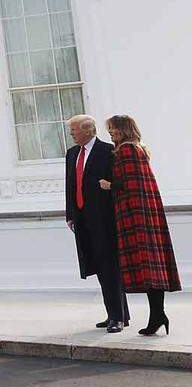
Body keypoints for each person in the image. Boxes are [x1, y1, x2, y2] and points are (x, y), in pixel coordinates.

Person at [97, 115, 180, 336]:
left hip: (135, 215)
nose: (111, 133)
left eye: (113, 129)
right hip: (144, 213)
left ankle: (158, 315)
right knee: (151, 266)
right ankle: (158, 316)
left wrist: (108, 184)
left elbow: (129, 184)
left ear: (123, 129)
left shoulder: (126, 150)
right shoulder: (138, 148)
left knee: (147, 266)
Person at [65, 114, 129, 332]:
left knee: (109, 266)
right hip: (83, 218)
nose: (71, 134)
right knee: (98, 267)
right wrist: (70, 214)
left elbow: (119, 182)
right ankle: (117, 313)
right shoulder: (72, 153)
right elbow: (71, 185)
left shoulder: (108, 150)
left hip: (105, 218)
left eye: (74, 130)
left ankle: (117, 318)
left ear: (88, 130)